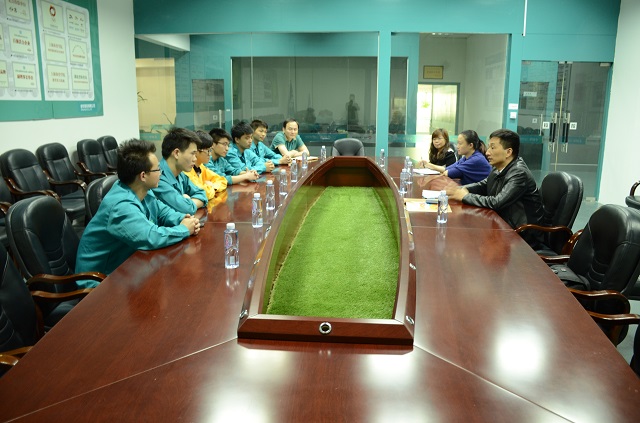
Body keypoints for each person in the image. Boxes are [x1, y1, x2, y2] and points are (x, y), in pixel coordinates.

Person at [75, 139, 200, 287]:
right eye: (157, 169)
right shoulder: (121, 205)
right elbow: (150, 237)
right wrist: (184, 229)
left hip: (128, 267)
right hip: (99, 282)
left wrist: (183, 219)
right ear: (143, 176)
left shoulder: (142, 189)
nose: (161, 173)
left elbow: (163, 212)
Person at [447, 129, 544, 247]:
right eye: (489, 147)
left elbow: (497, 202)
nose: (487, 152)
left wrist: (465, 196)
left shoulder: (519, 173)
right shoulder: (498, 168)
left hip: (522, 235)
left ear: (508, 152)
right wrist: (459, 190)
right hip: (503, 225)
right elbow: (483, 185)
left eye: (492, 148)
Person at [152, 127, 208, 214]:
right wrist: (189, 202)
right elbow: (186, 208)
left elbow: (202, 193)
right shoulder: (157, 177)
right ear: (176, 153)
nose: (195, 159)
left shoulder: (179, 173)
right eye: (192, 154)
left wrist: (188, 201)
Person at [423, 130, 491, 185]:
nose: (457, 146)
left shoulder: (476, 159)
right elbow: (446, 169)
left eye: (460, 143)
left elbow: (448, 173)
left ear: (470, 145)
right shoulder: (465, 158)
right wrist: (428, 165)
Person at [184, 130, 228, 201]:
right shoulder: (187, 171)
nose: (210, 154)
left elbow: (223, 180)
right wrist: (209, 187)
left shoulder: (201, 167)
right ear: (196, 151)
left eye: (211, 150)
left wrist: (213, 186)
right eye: (208, 150)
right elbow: (204, 193)